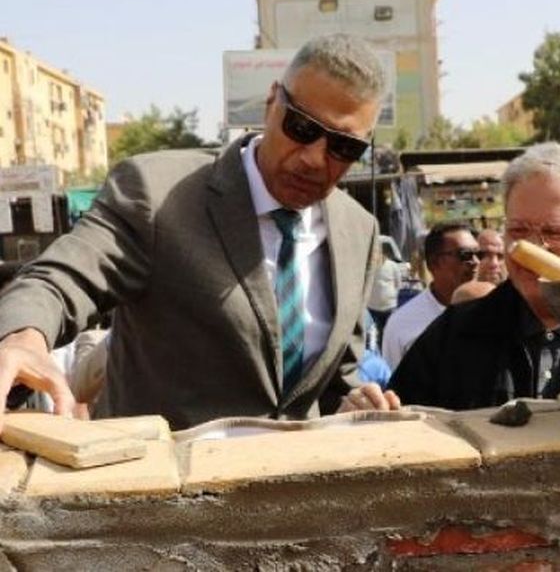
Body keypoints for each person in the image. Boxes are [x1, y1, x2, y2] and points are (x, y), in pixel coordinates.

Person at [0, 33, 400, 431]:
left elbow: (333, 381)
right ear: (271, 103)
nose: (314, 158)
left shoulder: (357, 230)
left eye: (343, 147)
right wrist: (23, 337)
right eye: (301, 127)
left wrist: (353, 404)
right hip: (160, 469)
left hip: (292, 470)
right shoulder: (157, 194)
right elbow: (61, 278)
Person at [388, 143, 560, 410]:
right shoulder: (456, 334)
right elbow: (399, 420)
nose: (533, 248)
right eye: (518, 230)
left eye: (556, 233)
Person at [381, 222, 479, 370]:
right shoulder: (402, 324)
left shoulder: (495, 313)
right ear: (434, 263)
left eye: (479, 254)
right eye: (465, 255)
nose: (476, 262)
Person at [366, 247, 406, 346]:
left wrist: (391, 295)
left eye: (377, 253)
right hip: (372, 308)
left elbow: (398, 284)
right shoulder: (370, 266)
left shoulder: (392, 266)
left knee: (389, 333)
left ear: (382, 254)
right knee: (374, 335)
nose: (375, 256)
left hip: (389, 307)